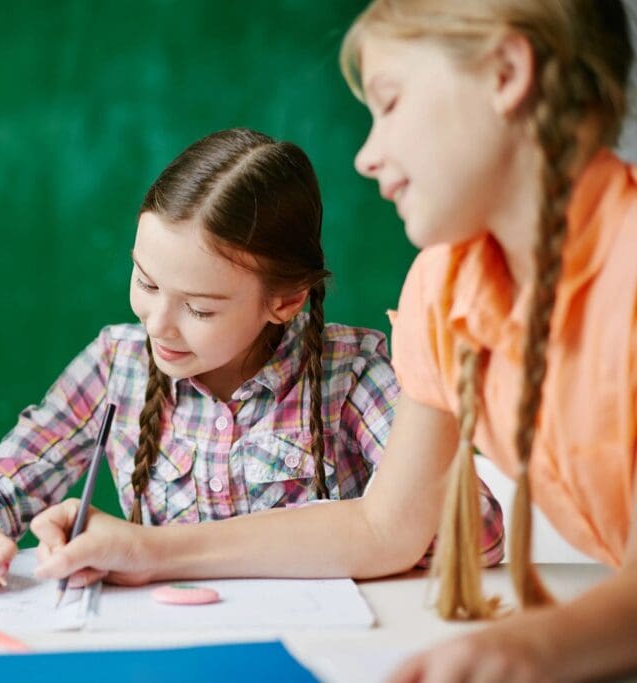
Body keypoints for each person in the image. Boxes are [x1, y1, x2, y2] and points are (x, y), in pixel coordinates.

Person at [32, 2, 637, 679]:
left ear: (505, 72)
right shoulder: (445, 286)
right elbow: (387, 526)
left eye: (390, 101)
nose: (367, 154)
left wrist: (533, 646)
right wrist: (150, 549)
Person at [0, 128, 503, 593]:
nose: (157, 325)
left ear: (286, 300)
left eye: (199, 308)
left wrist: (168, 552)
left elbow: (473, 531)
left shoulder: (354, 373)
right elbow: (4, 477)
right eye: (145, 282)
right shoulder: (116, 362)